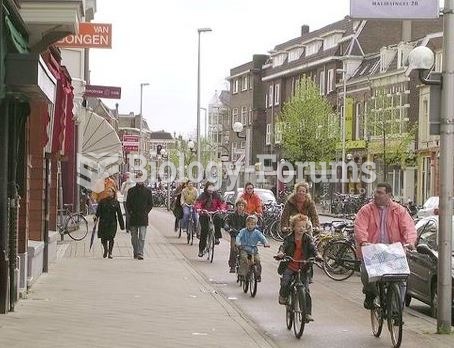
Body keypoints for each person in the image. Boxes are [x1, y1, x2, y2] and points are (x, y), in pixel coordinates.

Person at [354, 182, 416, 310]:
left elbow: (408, 227)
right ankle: (369, 293)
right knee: (366, 272)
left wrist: (410, 242)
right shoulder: (366, 210)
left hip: (393, 251)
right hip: (372, 250)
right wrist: (363, 241)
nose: (376, 195)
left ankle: (397, 308)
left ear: (389, 195)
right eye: (375, 192)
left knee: (401, 278)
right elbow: (360, 227)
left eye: (380, 193)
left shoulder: (399, 211)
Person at [275, 214, 323, 322]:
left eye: (303, 226)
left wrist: (317, 255)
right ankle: (283, 296)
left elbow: (313, 248)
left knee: (305, 290)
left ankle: (307, 314)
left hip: (303, 266)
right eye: (299, 226)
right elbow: (283, 246)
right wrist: (281, 253)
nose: (301, 229)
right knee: (285, 281)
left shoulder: (308, 238)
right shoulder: (289, 238)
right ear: (293, 227)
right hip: (290, 265)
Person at [126, 172, 154, 260]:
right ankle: (135, 251)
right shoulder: (131, 191)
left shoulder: (147, 191)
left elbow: (151, 204)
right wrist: (130, 212)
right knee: (134, 237)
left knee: (142, 236)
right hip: (134, 216)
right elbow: (128, 203)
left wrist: (146, 211)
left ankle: (140, 253)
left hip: (143, 217)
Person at [194, 181, 226, 257]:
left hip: (214, 212)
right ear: (206, 188)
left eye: (212, 187)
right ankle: (201, 249)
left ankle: (217, 237)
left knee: (218, 218)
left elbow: (222, 203)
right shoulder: (203, 195)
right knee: (204, 230)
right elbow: (198, 203)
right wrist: (199, 209)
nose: (211, 190)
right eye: (209, 188)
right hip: (204, 214)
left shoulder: (217, 195)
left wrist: (222, 209)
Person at [235, 215, 270, 282]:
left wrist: (266, 243)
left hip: (254, 250)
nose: (250, 226)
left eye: (252, 224)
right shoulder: (243, 231)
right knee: (245, 258)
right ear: (246, 224)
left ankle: (258, 275)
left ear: (255, 225)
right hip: (245, 249)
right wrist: (238, 243)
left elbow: (262, 238)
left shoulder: (257, 232)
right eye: (248, 224)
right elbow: (238, 237)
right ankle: (242, 274)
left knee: (258, 260)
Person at [95, 187, 125, 259]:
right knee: (103, 238)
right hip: (103, 222)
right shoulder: (102, 201)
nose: (109, 193)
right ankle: (105, 249)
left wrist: (122, 225)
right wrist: (95, 217)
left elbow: (119, 214)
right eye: (107, 191)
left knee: (111, 237)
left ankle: (110, 253)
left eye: (110, 191)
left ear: (113, 193)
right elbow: (98, 212)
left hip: (112, 223)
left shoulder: (116, 202)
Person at [224, 198, 247, 273]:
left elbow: (251, 223)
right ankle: (232, 265)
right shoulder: (232, 216)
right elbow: (227, 221)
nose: (240, 207)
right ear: (236, 206)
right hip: (234, 235)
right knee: (233, 248)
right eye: (239, 205)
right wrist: (227, 226)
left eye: (242, 205)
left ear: (244, 207)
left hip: (244, 236)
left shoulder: (247, 216)